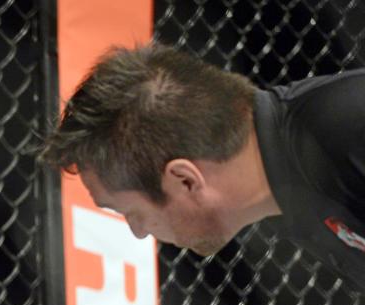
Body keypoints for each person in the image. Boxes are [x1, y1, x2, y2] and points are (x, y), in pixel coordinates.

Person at [40, 43, 365, 290]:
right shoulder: (290, 189)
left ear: (184, 180)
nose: (139, 231)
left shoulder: (343, 129)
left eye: (131, 212)